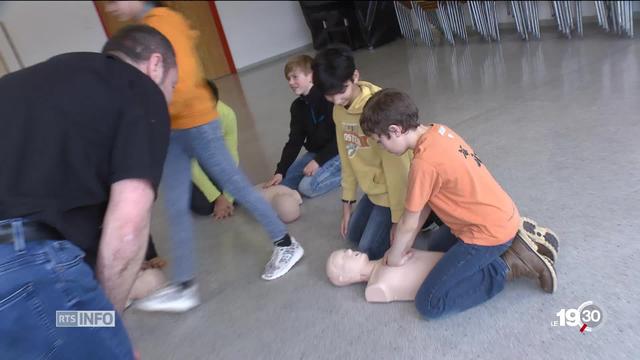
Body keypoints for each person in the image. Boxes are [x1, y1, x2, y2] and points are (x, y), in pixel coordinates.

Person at [106, 1, 304, 313]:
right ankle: (185, 285)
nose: (110, 6)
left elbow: (183, 81)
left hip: (197, 123)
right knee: (175, 203)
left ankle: (286, 245)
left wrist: (148, 111)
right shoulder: (144, 26)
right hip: (172, 128)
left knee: (237, 187)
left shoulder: (163, 21)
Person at [0, 25, 176, 359]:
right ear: (155, 65)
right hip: (21, 268)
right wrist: (105, 320)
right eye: (173, 85)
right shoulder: (139, 89)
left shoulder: (46, 80)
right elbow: (128, 225)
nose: (169, 96)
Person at [359, 89, 559, 320]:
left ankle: (509, 264)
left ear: (395, 130)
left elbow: (408, 221)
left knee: (429, 303)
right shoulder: (437, 130)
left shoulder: (423, 164)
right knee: (437, 244)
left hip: (487, 233)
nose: (382, 148)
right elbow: (423, 204)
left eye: (381, 142)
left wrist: (394, 256)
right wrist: (405, 243)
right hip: (500, 214)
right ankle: (513, 237)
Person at [312, 45, 411, 260]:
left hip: (395, 188)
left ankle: (419, 215)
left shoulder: (378, 109)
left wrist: (398, 220)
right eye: (329, 96)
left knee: (369, 250)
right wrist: (347, 202)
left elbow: (398, 169)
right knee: (353, 236)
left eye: (341, 91)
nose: (336, 101)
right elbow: (347, 154)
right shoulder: (339, 110)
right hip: (373, 189)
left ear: (355, 76)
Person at [263, 55, 341, 198]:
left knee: (306, 188)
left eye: (295, 77)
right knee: (284, 183)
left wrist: (318, 162)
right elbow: (294, 141)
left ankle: (351, 174)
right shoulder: (297, 107)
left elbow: (340, 138)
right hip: (315, 152)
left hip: (339, 151)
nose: (291, 82)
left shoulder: (328, 99)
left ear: (311, 75)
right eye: (288, 79)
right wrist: (280, 171)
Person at [190, 80, 239, 219]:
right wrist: (216, 197)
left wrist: (227, 197)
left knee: (235, 195)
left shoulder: (227, 114)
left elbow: (231, 155)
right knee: (204, 207)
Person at [326, 248, 443, 302]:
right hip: (446, 280)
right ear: (344, 277)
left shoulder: (387, 255)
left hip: (449, 259)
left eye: (345, 250)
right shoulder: (376, 286)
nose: (349, 251)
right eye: (342, 258)